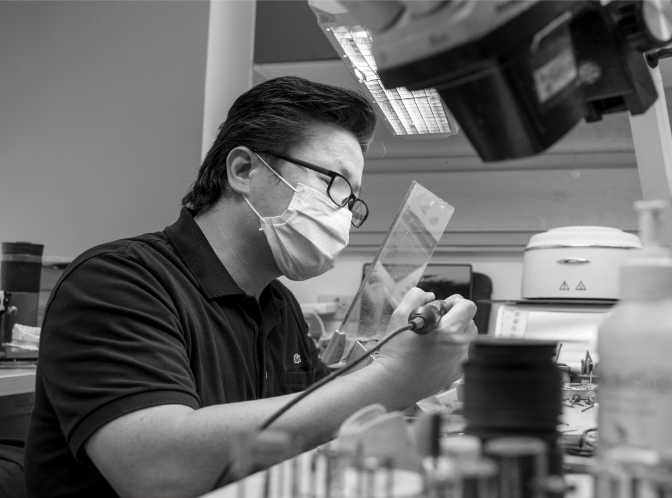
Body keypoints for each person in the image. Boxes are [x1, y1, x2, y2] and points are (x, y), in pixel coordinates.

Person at [24, 76, 477, 498]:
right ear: (243, 169)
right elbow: (157, 470)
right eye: (333, 184)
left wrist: (398, 364)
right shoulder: (116, 281)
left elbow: (300, 433)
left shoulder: (278, 305)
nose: (344, 214)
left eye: (352, 201)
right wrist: (393, 378)